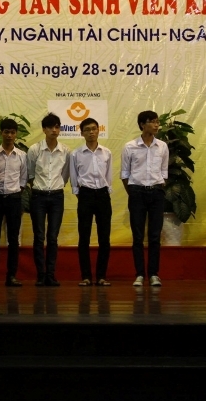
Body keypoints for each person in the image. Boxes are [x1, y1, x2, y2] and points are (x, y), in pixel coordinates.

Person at [121, 110, 168, 287]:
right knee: (138, 236)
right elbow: (125, 174)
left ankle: (154, 274)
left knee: (155, 236)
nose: (156, 125)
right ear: (142, 124)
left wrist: (159, 187)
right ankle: (140, 274)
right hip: (137, 193)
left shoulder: (162, 146)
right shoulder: (130, 146)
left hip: (156, 193)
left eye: (157, 122)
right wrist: (133, 192)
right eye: (152, 122)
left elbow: (164, 172)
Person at [27, 113, 70, 287]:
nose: (54, 130)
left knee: (52, 237)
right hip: (38, 195)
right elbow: (30, 174)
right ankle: (40, 275)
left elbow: (65, 175)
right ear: (44, 129)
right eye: (50, 127)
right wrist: (40, 187)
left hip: (57, 197)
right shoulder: (34, 149)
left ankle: (50, 275)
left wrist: (56, 187)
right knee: (39, 237)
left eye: (57, 127)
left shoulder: (65, 150)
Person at [69, 118, 113, 287]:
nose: (91, 132)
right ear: (82, 133)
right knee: (84, 237)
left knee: (104, 238)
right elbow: (74, 178)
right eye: (87, 130)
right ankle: (86, 276)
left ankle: (101, 276)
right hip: (85, 195)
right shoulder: (76, 154)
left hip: (102, 195)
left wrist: (105, 191)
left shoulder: (106, 152)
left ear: (98, 130)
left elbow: (109, 176)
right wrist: (80, 194)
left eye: (94, 129)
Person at [0, 118, 28, 287]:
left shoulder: (22, 155)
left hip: (14, 199)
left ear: (16, 134)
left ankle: (11, 276)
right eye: (6, 132)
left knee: (13, 239)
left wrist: (16, 193)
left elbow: (23, 179)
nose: (9, 135)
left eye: (12, 132)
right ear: (1, 133)